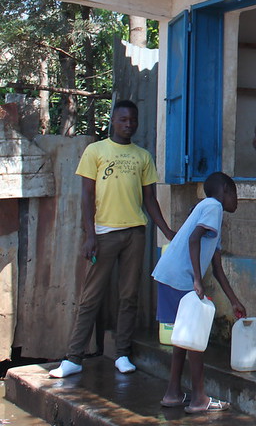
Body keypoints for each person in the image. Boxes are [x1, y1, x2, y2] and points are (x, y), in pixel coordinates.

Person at [50, 99, 175, 378]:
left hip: (135, 233)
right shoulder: (95, 151)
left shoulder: (143, 156)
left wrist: (167, 231)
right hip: (104, 234)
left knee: (129, 296)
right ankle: (73, 358)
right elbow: (86, 196)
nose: (128, 124)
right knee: (91, 296)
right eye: (123, 120)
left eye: (132, 120)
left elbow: (150, 200)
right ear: (113, 121)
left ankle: (122, 354)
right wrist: (89, 235)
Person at [152, 171, 245, 414]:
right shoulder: (213, 206)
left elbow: (217, 268)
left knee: (184, 338)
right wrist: (196, 279)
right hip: (179, 277)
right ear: (224, 190)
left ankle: (172, 393)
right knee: (194, 339)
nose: (237, 200)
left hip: (169, 274)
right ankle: (199, 399)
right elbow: (194, 240)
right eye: (235, 194)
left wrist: (234, 301)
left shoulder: (210, 213)